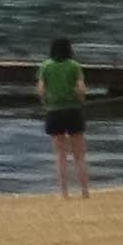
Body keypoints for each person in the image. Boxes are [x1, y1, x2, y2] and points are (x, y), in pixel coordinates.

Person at [40, 34, 92, 198]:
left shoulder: (46, 66)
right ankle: (84, 191)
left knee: (60, 155)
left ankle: (64, 192)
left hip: (54, 111)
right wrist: (82, 101)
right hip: (73, 110)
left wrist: (46, 104)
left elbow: (41, 89)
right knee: (79, 155)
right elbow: (81, 89)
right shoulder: (74, 66)